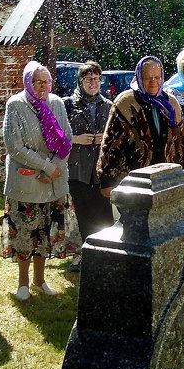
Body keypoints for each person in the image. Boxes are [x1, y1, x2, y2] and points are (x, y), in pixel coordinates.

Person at [1, 62, 78, 301]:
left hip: (52, 181)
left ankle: (39, 280)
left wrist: (54, 167)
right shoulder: (16, 104)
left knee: (45, 233)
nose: (43, 86)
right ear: (28, 83)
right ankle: (23, 283)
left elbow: (67, 137)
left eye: (47, 82)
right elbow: (14, 146)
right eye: (38, 82)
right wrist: (45, 166)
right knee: (25, 234)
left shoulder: (56, 103)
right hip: (27, 180)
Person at [97, 55, 184, 196]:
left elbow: (181, 143)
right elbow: (110, 144)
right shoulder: (126, 102)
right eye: (148, 77)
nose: (154, 81)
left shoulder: (171, 104)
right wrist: (106, 181)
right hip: (133, 183)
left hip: (166, 180)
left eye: (157, 77)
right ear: (139, 78)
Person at [63, 61, 113, 270]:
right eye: (88, 79)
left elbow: (116, 136)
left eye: (96, 79)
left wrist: (105, 138)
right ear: (80, 81)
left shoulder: (108, 105)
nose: (93, 83)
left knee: (102, 211)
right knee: (80, 212)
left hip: (100, 168)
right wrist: (76, 139)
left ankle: (104, 252)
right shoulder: (68, 104)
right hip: (77, 168)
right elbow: (56, 136)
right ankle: (81, 254)